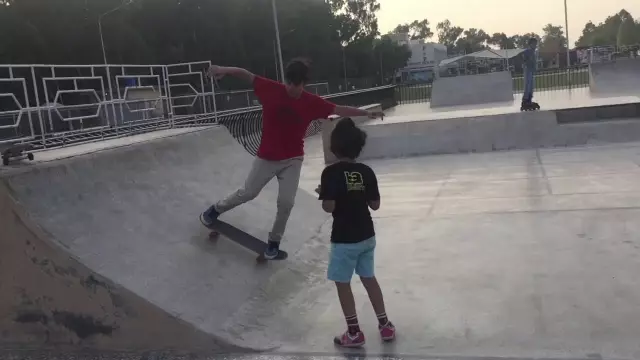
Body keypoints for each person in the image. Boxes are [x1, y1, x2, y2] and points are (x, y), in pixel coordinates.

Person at [200, 58, 384, 260]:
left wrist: (366, 113)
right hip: (267, 157)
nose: (292, 89)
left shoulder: (311, 102)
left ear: (304, 84)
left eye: (297, 86)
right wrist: (223, 69)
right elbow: (246, 74)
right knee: (248, 193)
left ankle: (274, 242)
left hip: (293, 160)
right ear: (285, 80)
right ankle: (215, 210)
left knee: (286, 202)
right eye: (289, 84)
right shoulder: (271, 88)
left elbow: (338, 109)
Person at [318, 118, 395, 348]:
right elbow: (375, 205)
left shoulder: (329, 173)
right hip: (366, 235)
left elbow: (328, 207)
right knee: (369, 278)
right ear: (357, 146)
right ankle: (385, 326)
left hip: (344, 238)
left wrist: (325, 193)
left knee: (342, 283)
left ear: (335, 145)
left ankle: (353, 332)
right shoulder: (366, 171)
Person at [522, 37, 538, 108]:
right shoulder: (527, 51)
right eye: (534, 44)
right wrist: (526, 61)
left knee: (531, 86)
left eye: (536, 44)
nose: (535, 45)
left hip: (532, 70)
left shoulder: (533, 52)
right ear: (530, 44)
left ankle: (529, 99)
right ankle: (525, 100)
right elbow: (523, 58)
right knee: (528, 85)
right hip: (528, 70)